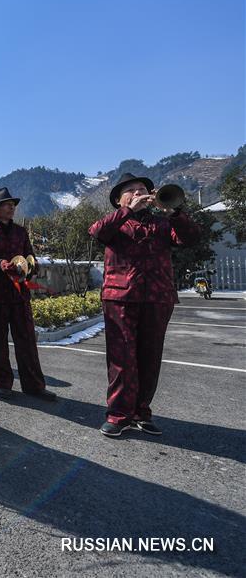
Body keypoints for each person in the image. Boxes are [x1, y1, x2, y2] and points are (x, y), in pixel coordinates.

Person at [88, 173, 199, 437]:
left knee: (150, 359)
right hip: (120, 298)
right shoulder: (115, 223)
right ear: (119, 199)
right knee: (121, 359)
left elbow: (191, 238)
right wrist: (127, 212)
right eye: (132, 190)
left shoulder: (163, 224)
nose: (140, 193)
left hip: (158, 298)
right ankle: (118, 415)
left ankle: (141, 412)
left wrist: (175, 213)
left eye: (143, 189)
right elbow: (96, 231)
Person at [0, 187, 56, 401]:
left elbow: (30, 256)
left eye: (13, 205)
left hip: (19, 296)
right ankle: (3, 384)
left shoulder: (21, 232)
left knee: (27, 341)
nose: (12, 207)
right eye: (8, 204)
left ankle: (34, 386)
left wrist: (31, 267)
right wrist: (0, 264)